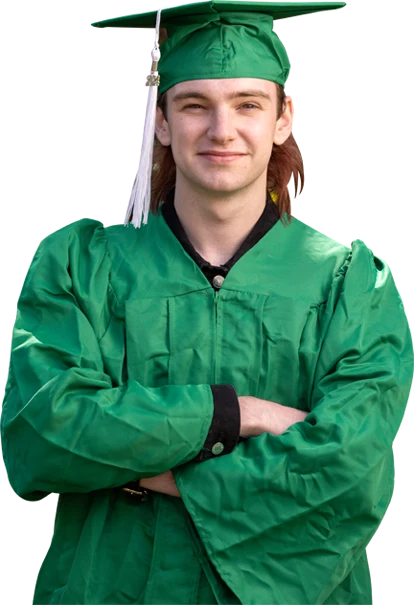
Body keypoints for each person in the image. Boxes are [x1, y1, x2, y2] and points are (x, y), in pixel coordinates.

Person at [1, 1, 413, 604]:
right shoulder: (81, 266)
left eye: (248, 104)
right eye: (195, 105)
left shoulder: (348, 280)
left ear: (283, 117)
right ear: (162, 121)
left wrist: (141, 469)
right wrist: (236, 415)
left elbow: (356, 471)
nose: (222, 130)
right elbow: (42, 431)